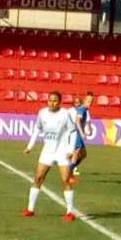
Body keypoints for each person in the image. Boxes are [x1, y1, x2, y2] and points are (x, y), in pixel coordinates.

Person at [23, 90, 78, 220]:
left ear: (59, 102)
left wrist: (70, 149)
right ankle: (30, 209)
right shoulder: (42, 113)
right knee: (38, 178)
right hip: (47, 151)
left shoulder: (64, 114)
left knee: (65, 180)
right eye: (50, 100)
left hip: (62, 152)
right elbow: (37, 129)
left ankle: (69, 212)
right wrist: (29, 146)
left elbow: (73, 131)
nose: (52, 103)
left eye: (55, 101)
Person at [67, 91, 93, 180]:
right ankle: (69, 174)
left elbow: (84, 121)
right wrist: (81, 132)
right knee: (76, 153)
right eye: (89, 101)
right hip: (77, 133)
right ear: (85, 101)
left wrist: (88, 130)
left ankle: (70, 170)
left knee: (83, 154)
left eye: (92, 101)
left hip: (78, 133)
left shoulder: (85, 109)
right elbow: (77, 121)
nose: (91, 103)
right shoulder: (81, 109)